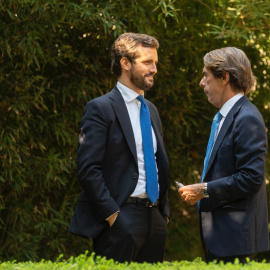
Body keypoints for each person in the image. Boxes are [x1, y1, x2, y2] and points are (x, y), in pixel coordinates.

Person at [68, 33, 169, 263]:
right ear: (125, 63)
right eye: (147, 62)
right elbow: (88, 169)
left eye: (155, 63)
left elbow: (155, 161)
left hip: (155, 219)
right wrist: (113, 216)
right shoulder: (100, 108)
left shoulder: (152, 110)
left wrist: (164, 215)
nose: (154, 69)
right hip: (120, 218)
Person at [178, 47, 269, 263]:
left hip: (236, 239)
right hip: (222, 238)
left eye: (205, 75)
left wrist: (204, 189)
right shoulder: (225, 117)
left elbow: (252, 178)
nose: (201, 83)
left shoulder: (247, 117)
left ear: (224, 77)